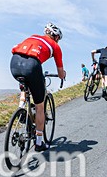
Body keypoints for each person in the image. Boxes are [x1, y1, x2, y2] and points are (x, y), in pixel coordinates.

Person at [9, 22, 66, 152]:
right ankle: (39, 143)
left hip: (14, 62)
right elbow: (60, 73)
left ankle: (21, 107)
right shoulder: (55, 46)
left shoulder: (33, 37)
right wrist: (63, 75)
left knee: (25, 84)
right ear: (56, 37)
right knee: (40, 106)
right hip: (32, 66)